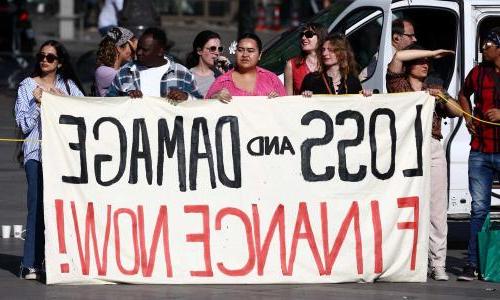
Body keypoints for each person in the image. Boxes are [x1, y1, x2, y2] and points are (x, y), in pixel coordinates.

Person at [386, 44, 461, 281]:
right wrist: (431, 52)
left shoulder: (434, 87)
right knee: (404, 204)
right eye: (420, 60)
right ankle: (405, 260)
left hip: (431, 144)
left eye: (427, 62)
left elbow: (458, 112)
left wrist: (442, 97)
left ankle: (437, 262)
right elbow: (398, 56)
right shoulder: (399, 85)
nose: (425, 64)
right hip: (406, 146)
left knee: (437, 209)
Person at [14, 40, 84, 280]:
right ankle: (29, 263)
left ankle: (54, 260)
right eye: (42, 55)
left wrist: (61, 100)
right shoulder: (26, 86)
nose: (44, 60)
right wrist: (38, 103)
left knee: (60, 209)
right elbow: (24, 125)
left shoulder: (67, 85)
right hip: (36, 155)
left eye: (51, 57)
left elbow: (83, 111)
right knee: (37, 207)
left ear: (59, 63)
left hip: (63, 156)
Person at [457, 29, 500, 281]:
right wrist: (466, 115)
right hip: (481, 150)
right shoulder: (478, 72)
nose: (484, 48)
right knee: (479, 209)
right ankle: (471, 264)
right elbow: (464, 94)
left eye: (488, 45)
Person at [107, 27, 202, 100]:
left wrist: (186, 97)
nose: (139, 53)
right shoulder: (125, 72)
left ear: (160, 51)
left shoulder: (182, 73)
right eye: (138, 48)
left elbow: (200, 103)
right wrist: (127, 99)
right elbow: (109, 101)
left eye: (145, 50)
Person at [205, 33, 286, 101]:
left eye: (250, 51)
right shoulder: (221, 82)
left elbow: (286, 109)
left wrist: (278, 101)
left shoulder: (271, 79)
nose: (245, 55)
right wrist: (214, 99)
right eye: (240, 50)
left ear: (259, 55)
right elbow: (205, 109)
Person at [284, 23, 327, 95]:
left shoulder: (329, 61)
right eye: (302, 35)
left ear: (320, 37)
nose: (303, 38)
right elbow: (288, 99)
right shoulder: (291, 65)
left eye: (309, 34)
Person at [186, 30, 230, 97]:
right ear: (199, 51)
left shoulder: (221, 74)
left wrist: (228, 74)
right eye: (212, 49)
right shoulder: (187, 76)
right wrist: (211, 97)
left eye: (220, 49)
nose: (217, 53)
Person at [94, 26, 137, 96]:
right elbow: (134, 79)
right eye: (132, 48)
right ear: (119, 48)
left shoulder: (121, 69)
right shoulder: (103, 71)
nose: (134, 51)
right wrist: (136, 55)